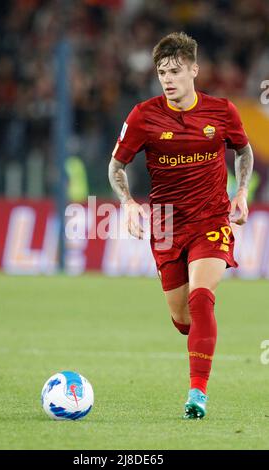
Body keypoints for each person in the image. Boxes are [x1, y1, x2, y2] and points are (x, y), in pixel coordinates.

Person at [108, 32, 253, 419]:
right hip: (167, 225)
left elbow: (243, 149)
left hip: (211, 219)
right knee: (183, 321)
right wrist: (127, 203)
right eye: (161, 73)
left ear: (193, 70)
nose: (168, 79)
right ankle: (195, 341)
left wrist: (240, 193)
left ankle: (197, 393)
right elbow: (116, 166)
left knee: (201, 297)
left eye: (174, 71)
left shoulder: (222, 111)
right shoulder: (143, 115)